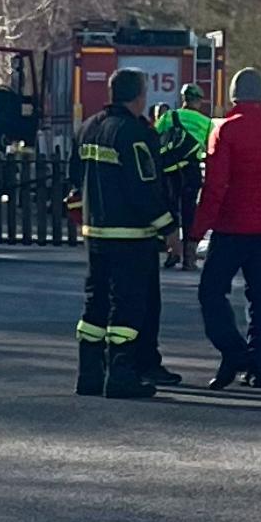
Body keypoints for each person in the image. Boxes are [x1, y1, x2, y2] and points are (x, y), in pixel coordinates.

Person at [66, 68, 181, 399]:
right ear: (139, 96)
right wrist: (169, 230)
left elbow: (75, 179)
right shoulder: (135, 134)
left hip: (95, 234)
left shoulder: (87, 128)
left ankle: (89, 374)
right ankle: (120, 375)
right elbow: (144, 188)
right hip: (131, 236)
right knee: (127, 308)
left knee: (95, 303)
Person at [188, 67, 261, 390]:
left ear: (234, 96)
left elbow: (215, 188)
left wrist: (196, 232)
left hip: (231, 228)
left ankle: (233, 351)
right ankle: (257, 364)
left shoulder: (225, 132)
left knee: (211, 292)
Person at [155, 84, 211, 269]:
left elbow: (154, 138)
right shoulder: (206, 122)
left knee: (170, 210)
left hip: (169, 170)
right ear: (199, 101)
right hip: (191, 171)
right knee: (190, 213)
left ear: (183, 99)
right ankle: (189, 257)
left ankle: (173, 250)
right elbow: (210, 148)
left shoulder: (169, 117)